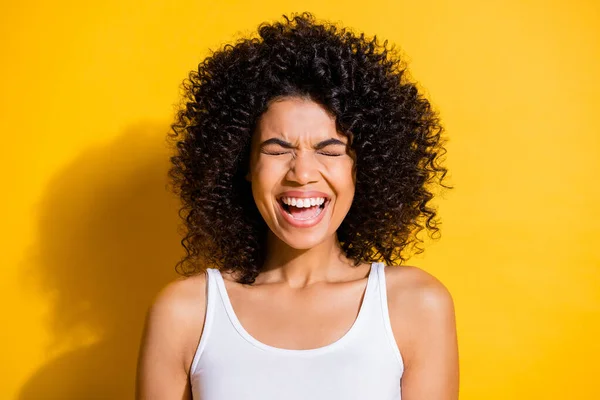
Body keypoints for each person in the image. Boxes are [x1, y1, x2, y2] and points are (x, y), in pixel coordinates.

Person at [136, 11, 458, 400]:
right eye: (277, 149)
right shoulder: (186, 313)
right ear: (244, 165)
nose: (302, 174)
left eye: (330, 150)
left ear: (364, 168)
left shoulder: (416, 305)